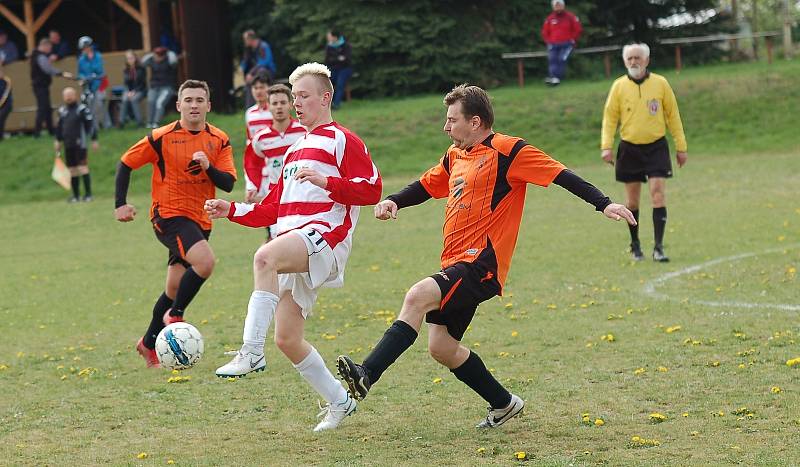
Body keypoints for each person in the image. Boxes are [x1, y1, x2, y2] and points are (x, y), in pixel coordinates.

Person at [336, 84, 635, 429]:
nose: (446, 128)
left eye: (452, 120)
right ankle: (504, 404)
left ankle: (366, 374)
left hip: (482, 264)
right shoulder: (455, 155)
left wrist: (604, 203)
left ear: (475, 122)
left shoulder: (510, 151)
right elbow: (427, 184)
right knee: (442, 347)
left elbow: (561, 175)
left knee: (417, 296)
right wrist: (394, 200)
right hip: (455, 262)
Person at [205, 63, 381, 431]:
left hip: (325, 237)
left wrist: (328, 181)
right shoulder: (294, 149)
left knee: (264, 256)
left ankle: (251, 353)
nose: (296, 103)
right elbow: (273, 207)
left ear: (325, 97)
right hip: (295, 241)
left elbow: (371, 190)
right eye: (294, 96)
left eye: (303, 96)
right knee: (287, 339)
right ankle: (339, 401)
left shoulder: (342, 139)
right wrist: (232, 209)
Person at [114, 80, 237, 368]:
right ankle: (176, 315)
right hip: (168, 215)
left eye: (199, 100)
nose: (194, 105)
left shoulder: (219, 139)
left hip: (201, 218)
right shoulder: (161, 137)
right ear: (179, 105)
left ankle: (147, 343)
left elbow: (229, 184)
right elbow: (126, 163)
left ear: (209, 105)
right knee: (205, 262)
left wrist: (209, 167)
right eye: (188, 100)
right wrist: (120, 203)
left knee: (173, 287)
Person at [601, 43, 688, 262]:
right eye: (629, 58)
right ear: (624, 61)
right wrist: (606, 146)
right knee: (632, 201)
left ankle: (659, 247)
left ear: (647, 60)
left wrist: (681, 146)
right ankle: (635, 245)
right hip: (629, 148)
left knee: (658, 192)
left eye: (637, 58)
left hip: (656, 147)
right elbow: (610, 118)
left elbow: (673, 115)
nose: (633, 62)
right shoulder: (618, 86)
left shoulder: (661, 84)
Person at [244, 84, 306, 239]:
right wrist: (253, 186)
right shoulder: (260, 138)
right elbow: (252, 164)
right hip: (276, 198)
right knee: (279, 244)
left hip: (302, 195)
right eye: (275, 103)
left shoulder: (304, 132)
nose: (279, 107)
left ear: (291, 105)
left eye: (283, 103)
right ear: (269, 107)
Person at [55, 87, 99, 202]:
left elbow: (91, 125)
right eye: (66, 95)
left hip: (81, 144)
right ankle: (76, 196)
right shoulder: (62, 111)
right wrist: (58, 141)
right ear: (63, 97)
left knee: (82, 168)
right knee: (72, 169)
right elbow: (59, 128)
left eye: (70, 94)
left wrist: (94, 139)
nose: (68, 97)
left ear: (75, 95)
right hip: (68, 144)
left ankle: (88, 195)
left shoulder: (82, 109)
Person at [30, 38, 72, 137]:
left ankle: (51, 130)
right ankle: (37, 132)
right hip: (40, 86)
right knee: (42, 108)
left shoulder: (37, 55)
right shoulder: (40, 56)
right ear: (45, 46)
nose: (50, 50)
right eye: (50, 47)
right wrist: (62, 73)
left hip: (41, 86)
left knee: (47, 108)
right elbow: (48, 69)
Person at [242, 74, 273, 204]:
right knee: (255, 203)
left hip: (273, 163)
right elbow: (249, 139)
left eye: (262, 87)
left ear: (269, 88)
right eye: (255, 88)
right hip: (256, 164)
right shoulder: (250, 113)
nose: (259, 91)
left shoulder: (275, 110)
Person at [540, 0, 582, 86]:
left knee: (561, 59)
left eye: (559, 5)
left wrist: (572, 40)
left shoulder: (571, 17)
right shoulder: (550, 18)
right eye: (556, 5)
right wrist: (548, 41)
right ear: (553, 7)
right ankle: (554, 78)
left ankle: (556, 78)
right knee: (552, 59)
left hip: (567, 44)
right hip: (553, 44)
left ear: (563, 6)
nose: (558, 7)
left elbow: (578, 29)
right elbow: (544, 32)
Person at [77, 36, 109, 130]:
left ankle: (106, 125)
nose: (85, 49)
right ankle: (94, 127)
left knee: (99, 104)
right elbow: (80, 72)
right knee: (90, 106)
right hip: (88, 85)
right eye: (83, 48)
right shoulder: (81, 59)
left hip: (99, 84)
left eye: (86, 47)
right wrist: (83, 78)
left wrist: (92, 76)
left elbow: (100, 70)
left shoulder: (98, 56)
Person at [141, 46, 178, 128]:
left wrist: (169, 52)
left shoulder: (169, 60)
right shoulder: (152, 60)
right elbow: (142, 62)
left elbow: (174, 61)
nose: (158, 57)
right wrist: (151, 54)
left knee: (159, 103)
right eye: (156, 55)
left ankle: (156, 123)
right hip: (154, 86)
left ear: (164, 55)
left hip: (167, 87)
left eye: (160, 55)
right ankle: (149, 123)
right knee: (151, 102)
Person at [240, 30, 276, 109]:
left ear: (250, 39)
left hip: (267, 72)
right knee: (250, 82)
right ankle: (250, 107)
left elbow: (265, 62)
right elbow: (245, 61)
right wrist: (242, 68)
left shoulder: (263, 46)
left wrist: (251, 73)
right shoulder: (249, 49)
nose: (244, 42)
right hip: (255, 73)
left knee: (261, 71)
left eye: (245, 40)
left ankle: (266, 102)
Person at [324, 29, 352, 110]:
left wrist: (335, 59)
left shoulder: (346, 45)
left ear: (335, 37)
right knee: (327, 84)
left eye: (329, 37)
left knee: (340, 84)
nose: (328, 38)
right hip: (333, 69)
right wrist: (339, 58)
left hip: (345, 69)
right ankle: (328, 104)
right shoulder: (329, 47)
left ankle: (336, 105)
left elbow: (347, 60)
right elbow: (327, 60)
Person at [119, 50, 147, 128]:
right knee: (124, 99)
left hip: (141, 90)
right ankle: (121, 122)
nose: (130, 60)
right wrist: (128, 91)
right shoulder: (126, 70)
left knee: (134, 100)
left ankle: (140, 122)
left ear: (135, 58)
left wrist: (134, 91)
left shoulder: (141, 68)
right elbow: (125, 83)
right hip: (129, 90)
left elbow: (142, 83)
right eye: (128, 58)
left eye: (131, 58)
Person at [0, 66, 11, 140]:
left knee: (1, 118)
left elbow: (5, 94)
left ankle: (1, 135)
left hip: (6, 105)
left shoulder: (7, 81)